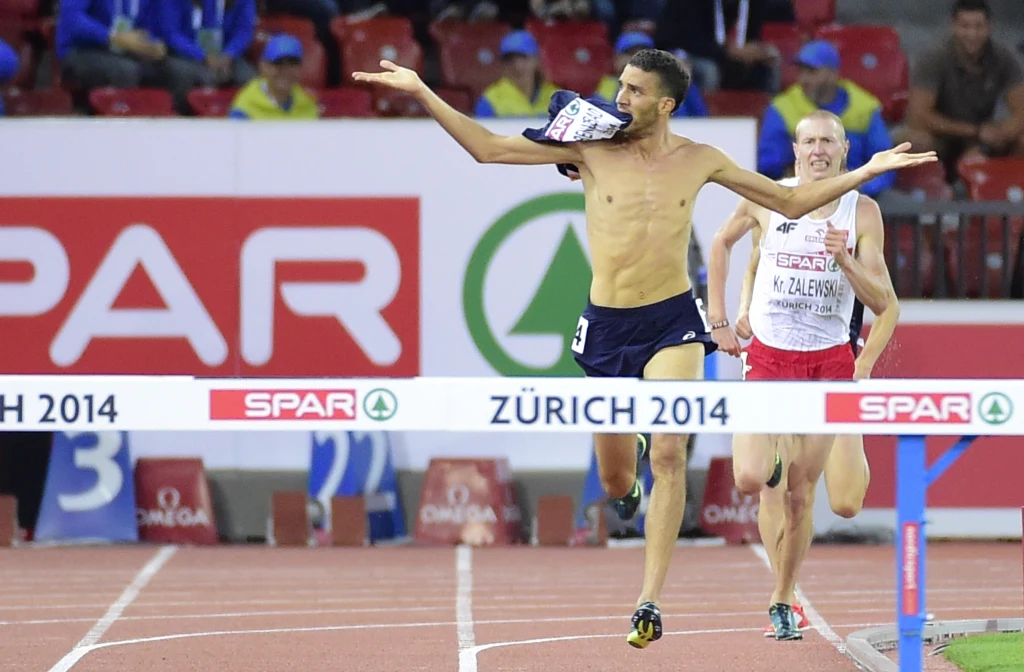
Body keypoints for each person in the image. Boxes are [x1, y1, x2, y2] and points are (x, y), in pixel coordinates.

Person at [351, 51, 934, 650]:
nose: (619, 97)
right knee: (616, 481)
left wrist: (864, 172)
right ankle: (623, 476)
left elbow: (787, 203)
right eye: (620, 86)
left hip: (672, 322)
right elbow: (487, 147)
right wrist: (421, 89)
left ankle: (648, 599)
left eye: (632, 90)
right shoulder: (591, 149)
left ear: (665, 105)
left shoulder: (700, 159)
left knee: (670, 456)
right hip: (606, 326)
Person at [707, 109, 900, 640]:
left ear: (844, 152)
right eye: (808, 141)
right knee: (752, 477)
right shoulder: (769, 196)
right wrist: (722, 318)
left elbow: (885, 303)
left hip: (829, 365)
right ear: (795, 150)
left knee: (807, 495)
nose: (818, 150)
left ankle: (782, 598)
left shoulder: (863, 213)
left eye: (828, 143)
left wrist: (846, 263)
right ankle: (771, 455)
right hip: (769, 359)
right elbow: (723, 244)